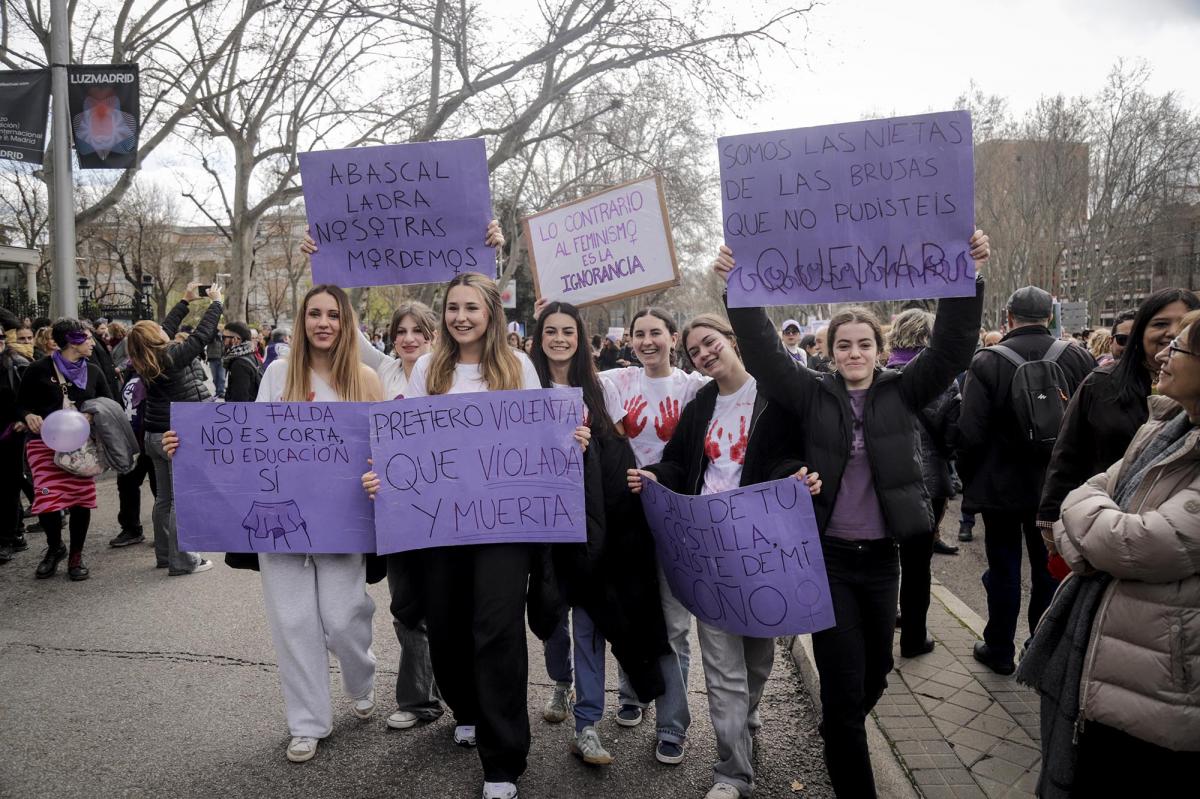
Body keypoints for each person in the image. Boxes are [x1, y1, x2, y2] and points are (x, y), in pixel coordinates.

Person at [714, 231, 990, 799]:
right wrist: (736, 287)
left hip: (883, 559)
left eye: (865, 344)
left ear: (880, 349)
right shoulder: (812, 395)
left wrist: (970, 277)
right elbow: (764, 350)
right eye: (844, 345)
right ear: (829, 351)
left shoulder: (903, 391)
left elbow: (955, 347)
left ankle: (839, 727)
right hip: (829, 560)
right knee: (843, 692)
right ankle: (848, 760)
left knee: (875, 677)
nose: (855, 353)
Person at [361, 272, 589, 799]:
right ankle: (466, 707)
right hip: (440, 524)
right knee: (445, 625)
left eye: (472, 308)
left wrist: (567, 441)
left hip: (505, 528)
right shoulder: (430, 372)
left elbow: (541, 437)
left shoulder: (517, 367)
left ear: (491, 314)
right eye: (453, 307)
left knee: (497, 628)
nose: (461, 316)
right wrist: (383, 475)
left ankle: (503, 759)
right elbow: (407, 445)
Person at [167, 283, 385, 764]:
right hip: (278, 520)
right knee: (293, 622)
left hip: (340, 521)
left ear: (345, 322)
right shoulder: (279, 373)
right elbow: (248, 445)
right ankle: (307, 722)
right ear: (303, 322)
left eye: (332, 314)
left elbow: (385, 447)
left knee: (344, 617)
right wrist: (189, 447)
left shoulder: (367, 379)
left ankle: (361, 674)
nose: (323, 322)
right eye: (314, 314)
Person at [628, 312, 821, 799]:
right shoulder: (701, 404)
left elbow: (788, 455)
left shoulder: (775, 398)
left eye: (710, 343)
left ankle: (746, 725)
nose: (704, 354)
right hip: (708, 550)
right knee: (723, 669)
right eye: (695, 352)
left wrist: (797, 474)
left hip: (762, 550)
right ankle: (731, 771)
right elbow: (681, 460)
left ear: (731, 341)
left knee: (757, 660)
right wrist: (656, 475)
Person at [1027, 308, 1200, 795]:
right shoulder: (1164, 426)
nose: (1162, 354)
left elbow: (1135, 543)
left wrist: (1087, 528)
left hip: (1166, 680)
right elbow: (1089, 489)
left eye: (1179, 347)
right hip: (1118, 659)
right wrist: (1093, 525)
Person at [530, 298, 670, 768]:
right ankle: (561, 682)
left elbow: (615, 448)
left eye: (568, 331)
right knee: (551, 620)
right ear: (539, 336)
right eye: (550, 330)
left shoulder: (602, 389)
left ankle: (587, 723)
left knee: (589, 625)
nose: (559, 339)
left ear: (582, 338)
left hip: (591, 525)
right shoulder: (522, 383)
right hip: (540, 524)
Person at [956, 285, 1096, 675]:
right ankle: (1041, 650)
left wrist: (971, 482)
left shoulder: (986, 362)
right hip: (1057, 488)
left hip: (1000, 489)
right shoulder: (1078, 357)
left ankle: (999, 647)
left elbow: (970, 433)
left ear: (1009, 317)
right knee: (1049, 569)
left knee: (1003, 570)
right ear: (1049, 317)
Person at [602, 306, 709, 765]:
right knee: (630, 612)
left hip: (677, 519)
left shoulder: (694, 388)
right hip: (626, 517)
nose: (648, 342)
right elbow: (562, 377)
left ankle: (672, 723)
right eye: (639, 334)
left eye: (656, 334)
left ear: (673, 337)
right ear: (630, 340)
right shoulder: (616, 383)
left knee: (674, 627)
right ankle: (631, 693)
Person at [1038, 289, 1199, 544]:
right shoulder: (1102, 383)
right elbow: (1068, 451)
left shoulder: (1191, 398)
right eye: (1160, 324)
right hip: (1103, 522)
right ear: (1141, 332)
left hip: (1171, 532)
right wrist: (1051, 519)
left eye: (1183, 324)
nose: (1171, 332)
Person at [127, 282, 222, 576]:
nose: (162, 330)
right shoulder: (170, 356)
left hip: (154, 436)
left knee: (165, 499)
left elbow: (163, 331)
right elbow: (201, 336)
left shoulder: (147, 358)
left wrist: (185, 301)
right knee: (182, 498)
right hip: (174, 436)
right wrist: (216, 303)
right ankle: (183, 561)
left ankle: (166, 556)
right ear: (155, 339)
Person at [886, 309, 963, 658]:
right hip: (928, 484)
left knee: (884, 558)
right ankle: (914, 637)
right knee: (918, 565)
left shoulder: (879, 373)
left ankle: (884, 623)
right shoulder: (944, 379)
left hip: (883, 483)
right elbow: (951, 438)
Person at [16, 318, 114, 580]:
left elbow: (108, 402)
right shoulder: (38, 369)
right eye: (88, 337)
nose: (93, 342)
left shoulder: (93, 371)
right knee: (47, 501)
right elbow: (20, 403)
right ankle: (55, 547)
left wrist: (93, 415)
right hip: (42, 446)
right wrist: (28, 416)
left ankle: (76, 555)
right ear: (74, 341)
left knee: (80, 500)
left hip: (79, 449)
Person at [108, 365, 157, 549]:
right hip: (131, 441)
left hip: (151, 438)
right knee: (126, 484)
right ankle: (131, 529)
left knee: (159, 488)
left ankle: (164, 532)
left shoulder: (157, 370)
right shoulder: (131, 373)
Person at [0, 312, 30, 563]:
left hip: (11, 434)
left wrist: (23, 418)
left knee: (9, 484)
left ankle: (8, 537)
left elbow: (30, 399)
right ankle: (16, 531)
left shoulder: (16, 364)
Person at [220, 321, 263, 402]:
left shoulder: (239, 364)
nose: (223, 341)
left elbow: (240, 399)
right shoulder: (252, 355)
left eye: (224, 337)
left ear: (235, 339)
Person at [206, 324, 226, 398]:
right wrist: (216, 330)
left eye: (222, 327)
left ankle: (221, 391)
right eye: (219, 327)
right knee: (215, 378)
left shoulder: (224, 337)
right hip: (213, 359)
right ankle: (218, 391)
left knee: (222, 377)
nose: (221, 329)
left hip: (222, 359)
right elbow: (210, 338)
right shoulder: (213, 336)